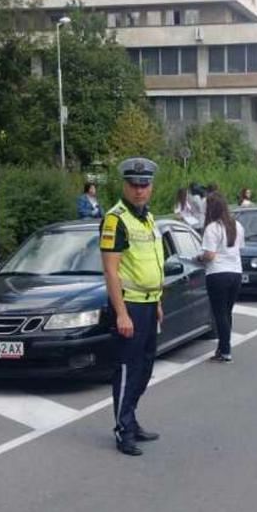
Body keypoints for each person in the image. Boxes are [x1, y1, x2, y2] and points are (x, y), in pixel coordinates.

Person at [100, 157, 165, 456]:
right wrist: (122, 313)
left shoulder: (149, 219)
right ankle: (122, 429)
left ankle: (132, 418)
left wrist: (159, 301)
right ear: (124, 186)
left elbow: (153, 262)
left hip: (150, 304)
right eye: (134, 185)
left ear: (151, 186)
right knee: (127, 369)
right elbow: (111, 270)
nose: (139, 190)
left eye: (144, 185)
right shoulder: (116, 220)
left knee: (145, 367)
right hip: (130, 307)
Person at [197, 193, 245, 363]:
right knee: (227, 312)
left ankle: (225, 351)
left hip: (217, 274)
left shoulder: (213, 228)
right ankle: (222, 348)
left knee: (219, 314)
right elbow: (240, 248)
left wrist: (199, 258)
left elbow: (209, 255)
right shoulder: (237, 225)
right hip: (236, 273)